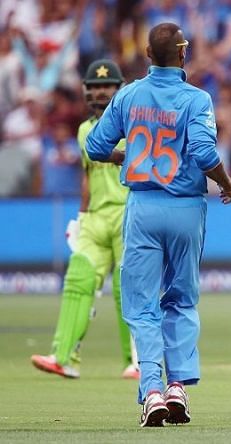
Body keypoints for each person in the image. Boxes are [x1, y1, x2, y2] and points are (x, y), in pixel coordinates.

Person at [86, 22, 231, 427]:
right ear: (184, 54)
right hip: (186, 207)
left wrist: (130, 155)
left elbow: (96, 146)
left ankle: (151, 388)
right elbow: (205, 151)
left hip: (144, 206)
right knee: (182, 299)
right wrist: (226, 182)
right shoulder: (197, 98)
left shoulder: (129, 94)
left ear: (148, 56)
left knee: (141, 304)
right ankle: (177, 387)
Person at [31, 59, 139, 380]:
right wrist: (80, 217)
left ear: (120, 90)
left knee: (127, 288)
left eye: (107, 87)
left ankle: (137, 362)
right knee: (78, 278)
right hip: (95, 218)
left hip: (128, 211)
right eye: (94, 88)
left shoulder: (134, 125)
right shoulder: (83, 131)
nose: (100, 93)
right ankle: (64, 357)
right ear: (84, 92)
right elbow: (88, 176)